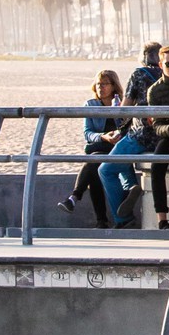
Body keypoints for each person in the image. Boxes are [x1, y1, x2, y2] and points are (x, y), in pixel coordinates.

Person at [99, 43, 169, 230]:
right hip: (167, 131)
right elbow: (158, 124)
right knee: (156, 163)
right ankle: (158, 216)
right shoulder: (157, 88)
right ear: (160, 64)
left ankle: (123, 216)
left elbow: (124, 111)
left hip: (154, 133)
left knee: (106, 168)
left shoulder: (146, 75)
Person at [57, 68, 124, 228]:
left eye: (105, 84)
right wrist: (103, 136)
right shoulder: (91, 104)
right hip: (100, 146)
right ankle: (99, 219)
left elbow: (127, 128)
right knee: (95, 163)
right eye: (98, 84)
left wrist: (118, 113)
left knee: (93, 163)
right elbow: (87, 133)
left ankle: (76, 199)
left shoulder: (122, 103)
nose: (101, 87)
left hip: (117, 148)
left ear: (114, 86)